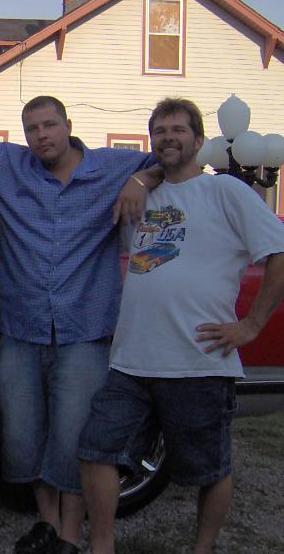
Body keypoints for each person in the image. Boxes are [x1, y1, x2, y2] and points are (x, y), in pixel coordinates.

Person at [0, 95, 161, 554]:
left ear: (68, 125)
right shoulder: (8, 164)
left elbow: (166, 159)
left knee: (73, 438)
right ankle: (46, 520)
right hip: (21, 329)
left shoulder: (113, 166)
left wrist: (141, 179)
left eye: (49, 125)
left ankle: (68, 534)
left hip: (85, 331)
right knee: (23, 438)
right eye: (32, 129)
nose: (41, 135)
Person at [78, 98, 284, 554]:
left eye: (178, 130)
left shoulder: (225, 191)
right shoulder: (142, 196)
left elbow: (278, 253)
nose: (168, 138)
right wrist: (138, 179)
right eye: (160, 131)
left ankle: (202, 548)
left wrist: (251, 325)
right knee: (96, 451)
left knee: (209, 469)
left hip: (198, 361)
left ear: (198, 139)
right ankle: (101, 547)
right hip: (132, 360)